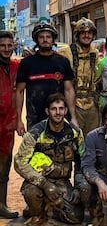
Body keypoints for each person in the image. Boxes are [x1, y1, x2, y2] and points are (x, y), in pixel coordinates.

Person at [14, 93, 88, 226]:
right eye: (54, 109)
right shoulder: (35, 133)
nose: (58, 112)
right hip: (39, 180)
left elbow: (82, 161)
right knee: (31, 192)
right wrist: (45, 184)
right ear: (48, 111)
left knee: (76, 217)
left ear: (66, 110)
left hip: (62, 182)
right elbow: (19, 163)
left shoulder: (75, 133)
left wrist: (77, 186)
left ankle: (51, 206)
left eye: (61, 109)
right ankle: (38, 215)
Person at [16, 23, 77, 136]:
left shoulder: (63, 62)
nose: (45, 40)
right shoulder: (26, 63)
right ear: (36, 40)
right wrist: (18, 120)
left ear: (53, 39)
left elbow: (69, 90)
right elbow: (19, 91)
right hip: (34, 118)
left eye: (48, 37)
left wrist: (73, 117)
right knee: (36, 152)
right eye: (41, 37)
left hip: (59, 117)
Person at [60, 17, 100, 136]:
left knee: (92, 139)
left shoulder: (95, 53)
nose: (86, 36)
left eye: (89, 33)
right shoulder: (67, 51)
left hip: (92, 104)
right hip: (73, 104)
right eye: (83, 32)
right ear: (77, 35)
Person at [0, 31, 20, 219]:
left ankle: (2, 205)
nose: (6, 49)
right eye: (2, 46)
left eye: (9, 45)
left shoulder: (16, 66)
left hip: (8, 125)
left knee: (4, 167)